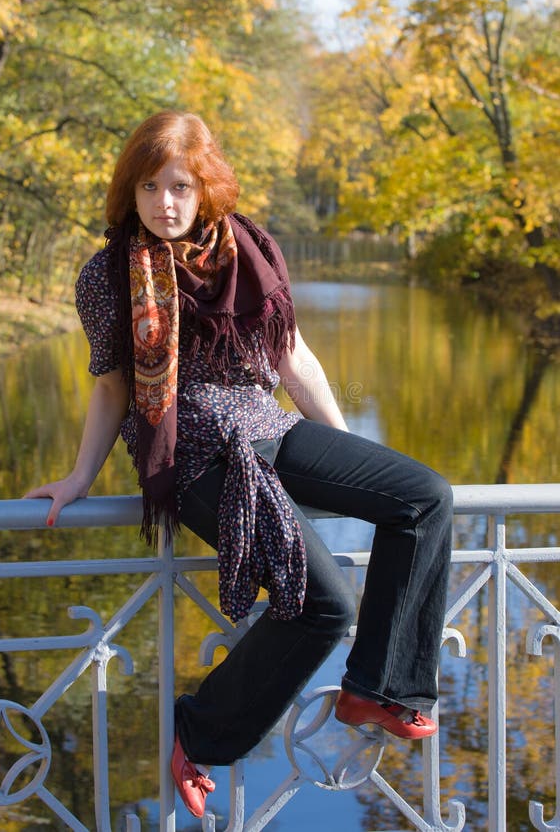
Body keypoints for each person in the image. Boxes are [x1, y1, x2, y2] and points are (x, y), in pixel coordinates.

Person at [25, 111, 453, 820]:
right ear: (128, 193)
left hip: (267, 425)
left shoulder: (246, 249)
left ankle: (379, 688)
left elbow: (292, 357)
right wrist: (79, 477)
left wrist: (352, 451)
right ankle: (200, 730)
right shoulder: (107, 275)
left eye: (180, 186)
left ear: (206, 188)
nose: (166, 202)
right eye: (150, 187)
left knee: (425, 496)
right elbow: (111, 386)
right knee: (323, 605)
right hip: (189, 453)